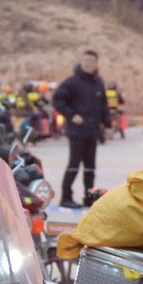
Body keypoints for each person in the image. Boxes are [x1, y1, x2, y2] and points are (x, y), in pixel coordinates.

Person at [53, 49, 111, 206]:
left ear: (96, 63)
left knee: (90, 167)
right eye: (85, 61)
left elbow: (104, 105)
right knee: (74, 165)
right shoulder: (71, 82)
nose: (88, 64)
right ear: (81, 62)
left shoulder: (98, 82)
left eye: (91, 61)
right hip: (76, 132)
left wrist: (107, 125)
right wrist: (71, 115)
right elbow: (57, 101)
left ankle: (89, 198)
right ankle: (66, 198)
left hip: (92, 131)